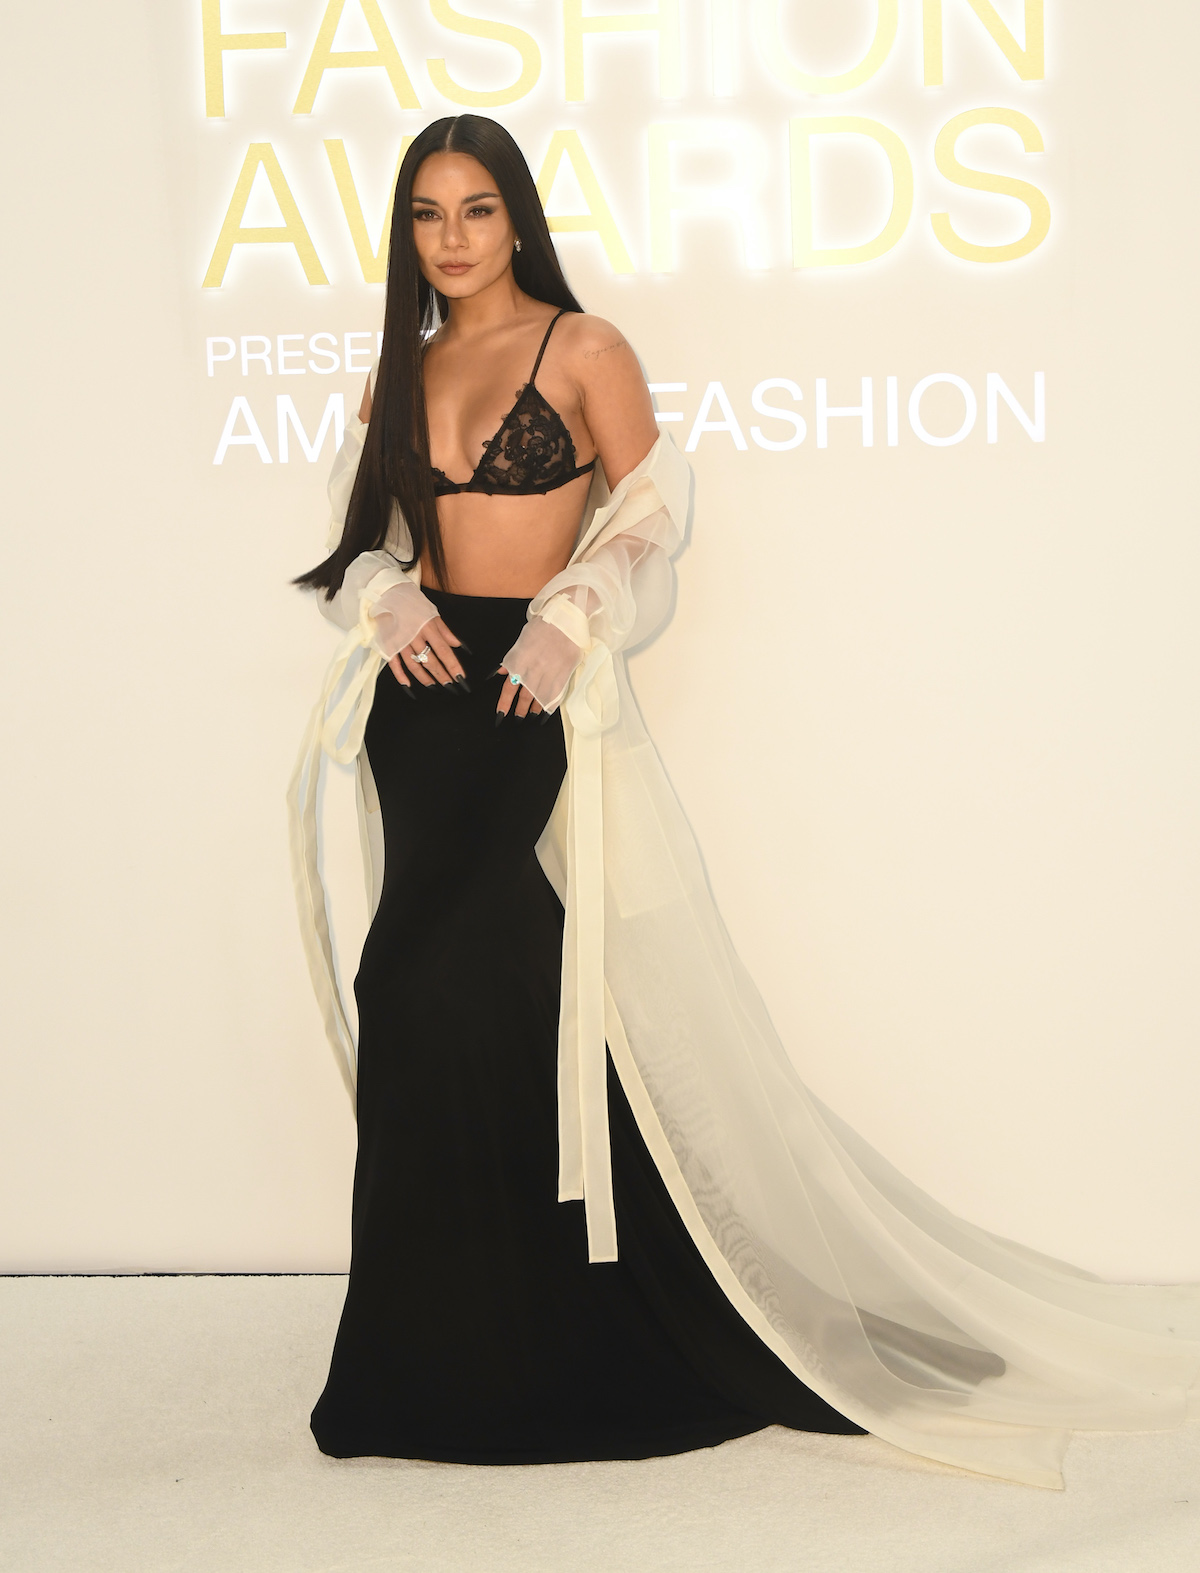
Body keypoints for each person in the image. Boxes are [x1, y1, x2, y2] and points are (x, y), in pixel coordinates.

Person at [290, 116, 1199, 1485]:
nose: (454, 236)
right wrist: (384, 592)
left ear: (518, 217)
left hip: (532, 692)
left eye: (477, 208)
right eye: (429, 213)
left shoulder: (583, 350)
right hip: (418, 709)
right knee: (427, 999)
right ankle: (430, 1353)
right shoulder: (398, 372)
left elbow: (653, 511)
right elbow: (361, 539)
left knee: (503, 991)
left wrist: (576, 610)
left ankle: (588, 1323)